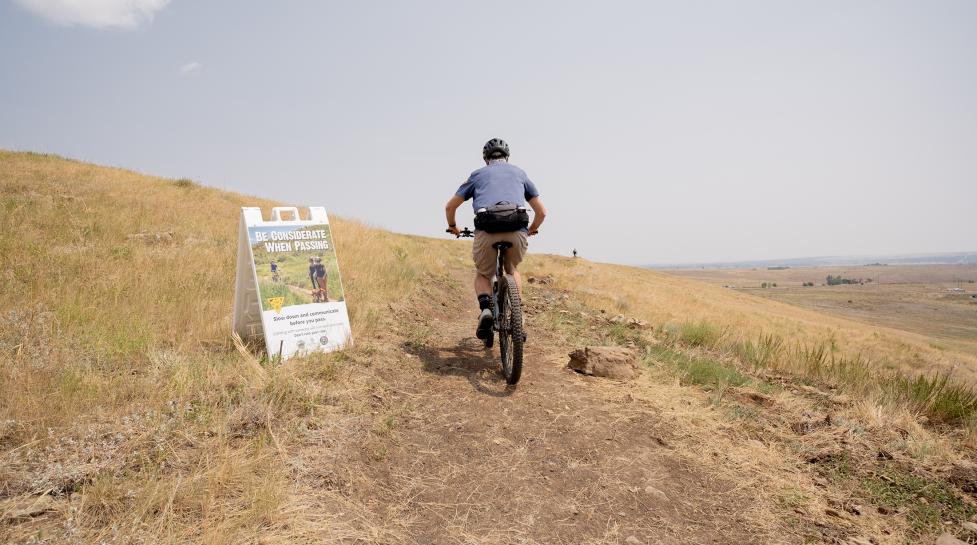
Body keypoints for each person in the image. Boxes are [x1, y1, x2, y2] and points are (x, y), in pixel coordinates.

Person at [444, 138, 547, 340]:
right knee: (512, 270)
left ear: (486, 159)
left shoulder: (477, 175)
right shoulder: (520, 173)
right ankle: (517, 315)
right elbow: (542, 212)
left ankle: (486, 310)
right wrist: (531, 229)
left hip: (487, 228)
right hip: (517, 226)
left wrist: (453, 227)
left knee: (483, 274)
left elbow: (450, 207)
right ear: (507, 157)